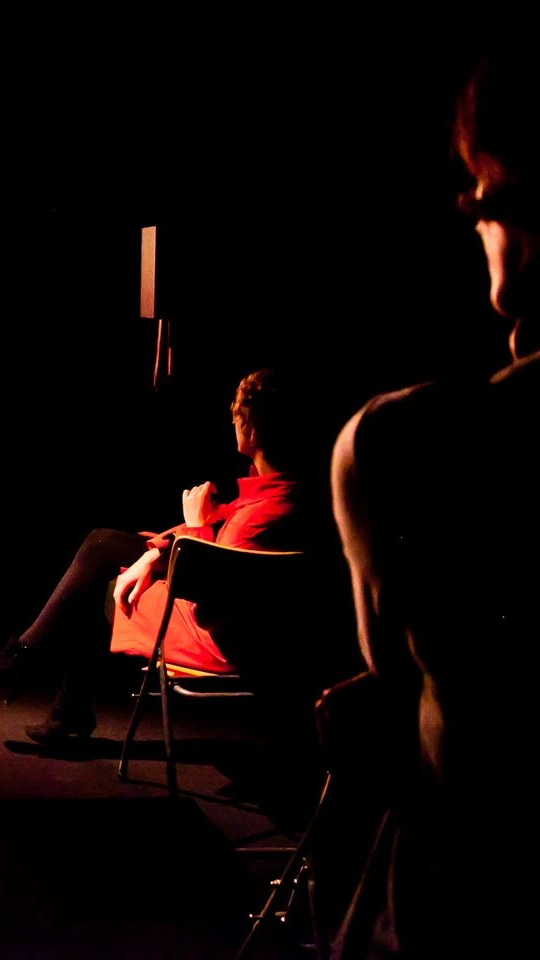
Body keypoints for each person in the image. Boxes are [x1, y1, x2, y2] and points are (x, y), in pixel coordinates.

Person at [326, 39, 536, 959]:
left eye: (476, 200)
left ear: (512, 208)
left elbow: (395, 669)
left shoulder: (404, 442)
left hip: (473, 896)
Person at [0, 368, 325, 746]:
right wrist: (160, 551)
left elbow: (211, 588)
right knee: (102, 547)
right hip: (247, 631)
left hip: (214, 639)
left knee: (99, 578)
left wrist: (194, 529)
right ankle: (50, 693)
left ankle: (35, 676)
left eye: (236, 420)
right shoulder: (287, 495)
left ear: (249, 431)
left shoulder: (261, 515)